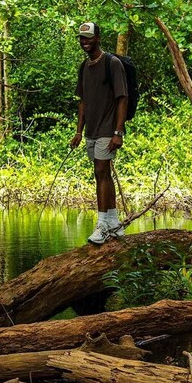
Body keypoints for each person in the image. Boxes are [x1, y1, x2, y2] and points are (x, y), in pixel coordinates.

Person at [69, 22, 128, 245]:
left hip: (107, 128)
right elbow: (83, 101)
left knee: (101, 171)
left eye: (88, 38)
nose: (84, 42)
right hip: (91, 130)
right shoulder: (84, 67)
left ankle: (102, 224)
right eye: (82, 38)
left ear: (98, 38)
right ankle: (113, 222)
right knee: (102, 174)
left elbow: (122, 98)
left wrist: (118, 131)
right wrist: (78, 131)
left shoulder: (112, 63)